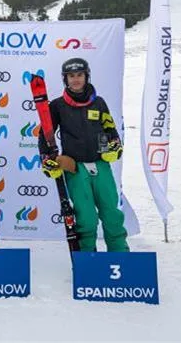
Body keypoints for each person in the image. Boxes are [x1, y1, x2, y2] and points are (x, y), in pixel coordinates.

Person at [38, 57, 129, 252]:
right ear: (65, 79)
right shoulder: (57, 105)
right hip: (75, 168)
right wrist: (47, 160)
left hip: (101, 165)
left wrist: (115, 146)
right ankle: (88, 258)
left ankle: (120, 255)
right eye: (71, 76)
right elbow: (45, 136)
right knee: (86, 218)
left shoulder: (99, 103)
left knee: (112, 214)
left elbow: (110, 129)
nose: (76, 79)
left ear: (86, 76)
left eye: (79, 75)